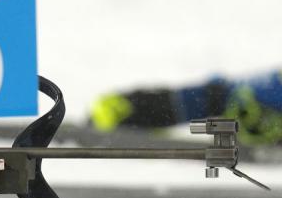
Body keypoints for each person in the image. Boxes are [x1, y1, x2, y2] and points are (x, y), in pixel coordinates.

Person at [89, 69, 282, 144]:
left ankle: (125, 109)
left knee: (210, 96)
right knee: (209, 97)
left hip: (235, 96)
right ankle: (121, 109)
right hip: (234, 97)